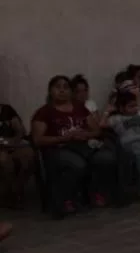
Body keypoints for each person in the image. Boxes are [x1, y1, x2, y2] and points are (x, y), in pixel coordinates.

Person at [32, 75, 118, 215]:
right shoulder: (44, 112)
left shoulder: (80, 108)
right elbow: (37, 139)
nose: (62, 90)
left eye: (65, 87)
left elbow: (96, 130)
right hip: (58, 148)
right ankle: (65, 198)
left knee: (106, 158)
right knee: (78, 164)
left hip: (82, 146)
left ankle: (94, 193)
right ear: (50, 91)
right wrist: (62, 138)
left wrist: (85, 134)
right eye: (57, 87)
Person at [0, 102, 33, 209]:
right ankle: (11, 193)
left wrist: (13, 141)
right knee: (4, 161)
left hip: (13, 144)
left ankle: (18, 188)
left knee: (29, 155)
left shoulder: (6, 110)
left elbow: (20, 131)